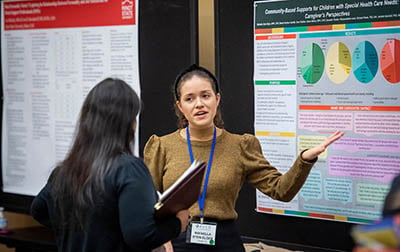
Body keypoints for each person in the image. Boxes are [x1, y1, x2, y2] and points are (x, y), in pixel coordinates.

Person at [144, 64, 345, 252]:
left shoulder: (240, 146)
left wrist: (305, 160)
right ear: (180, 106)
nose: (199, 104)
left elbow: (281, 190)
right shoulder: (162, 146)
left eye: (205, 96)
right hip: (175, 242)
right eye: (190, 98)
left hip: (224, 241)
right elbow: (146, 204)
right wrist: (162, 241)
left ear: (217, 99)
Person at [31, 78, 189, 252]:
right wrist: (177, 224)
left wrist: (83, 232)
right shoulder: (129, 170)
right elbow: (142, 236)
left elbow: (38, 210)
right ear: (127, 124)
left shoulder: (64, 170)